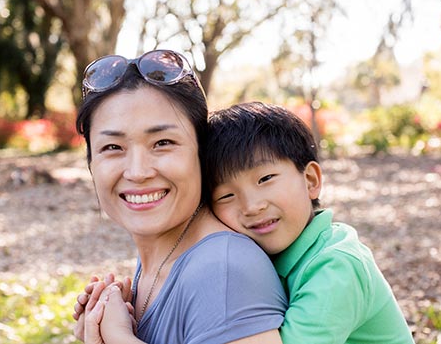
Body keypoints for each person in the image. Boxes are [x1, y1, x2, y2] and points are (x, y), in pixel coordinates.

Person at [73, 50, 288, 344]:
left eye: (163, 143)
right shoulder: (161, 257)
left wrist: (117, 337)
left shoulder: (223, 272)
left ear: (201, 153)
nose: (137, 172)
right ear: (91, 163)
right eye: (112, 147)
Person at [204, 101, 414, 344]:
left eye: (265, 178)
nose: (252, 206)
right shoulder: (255, 259)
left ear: (311, 181)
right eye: (226, 195)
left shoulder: (336, 266)